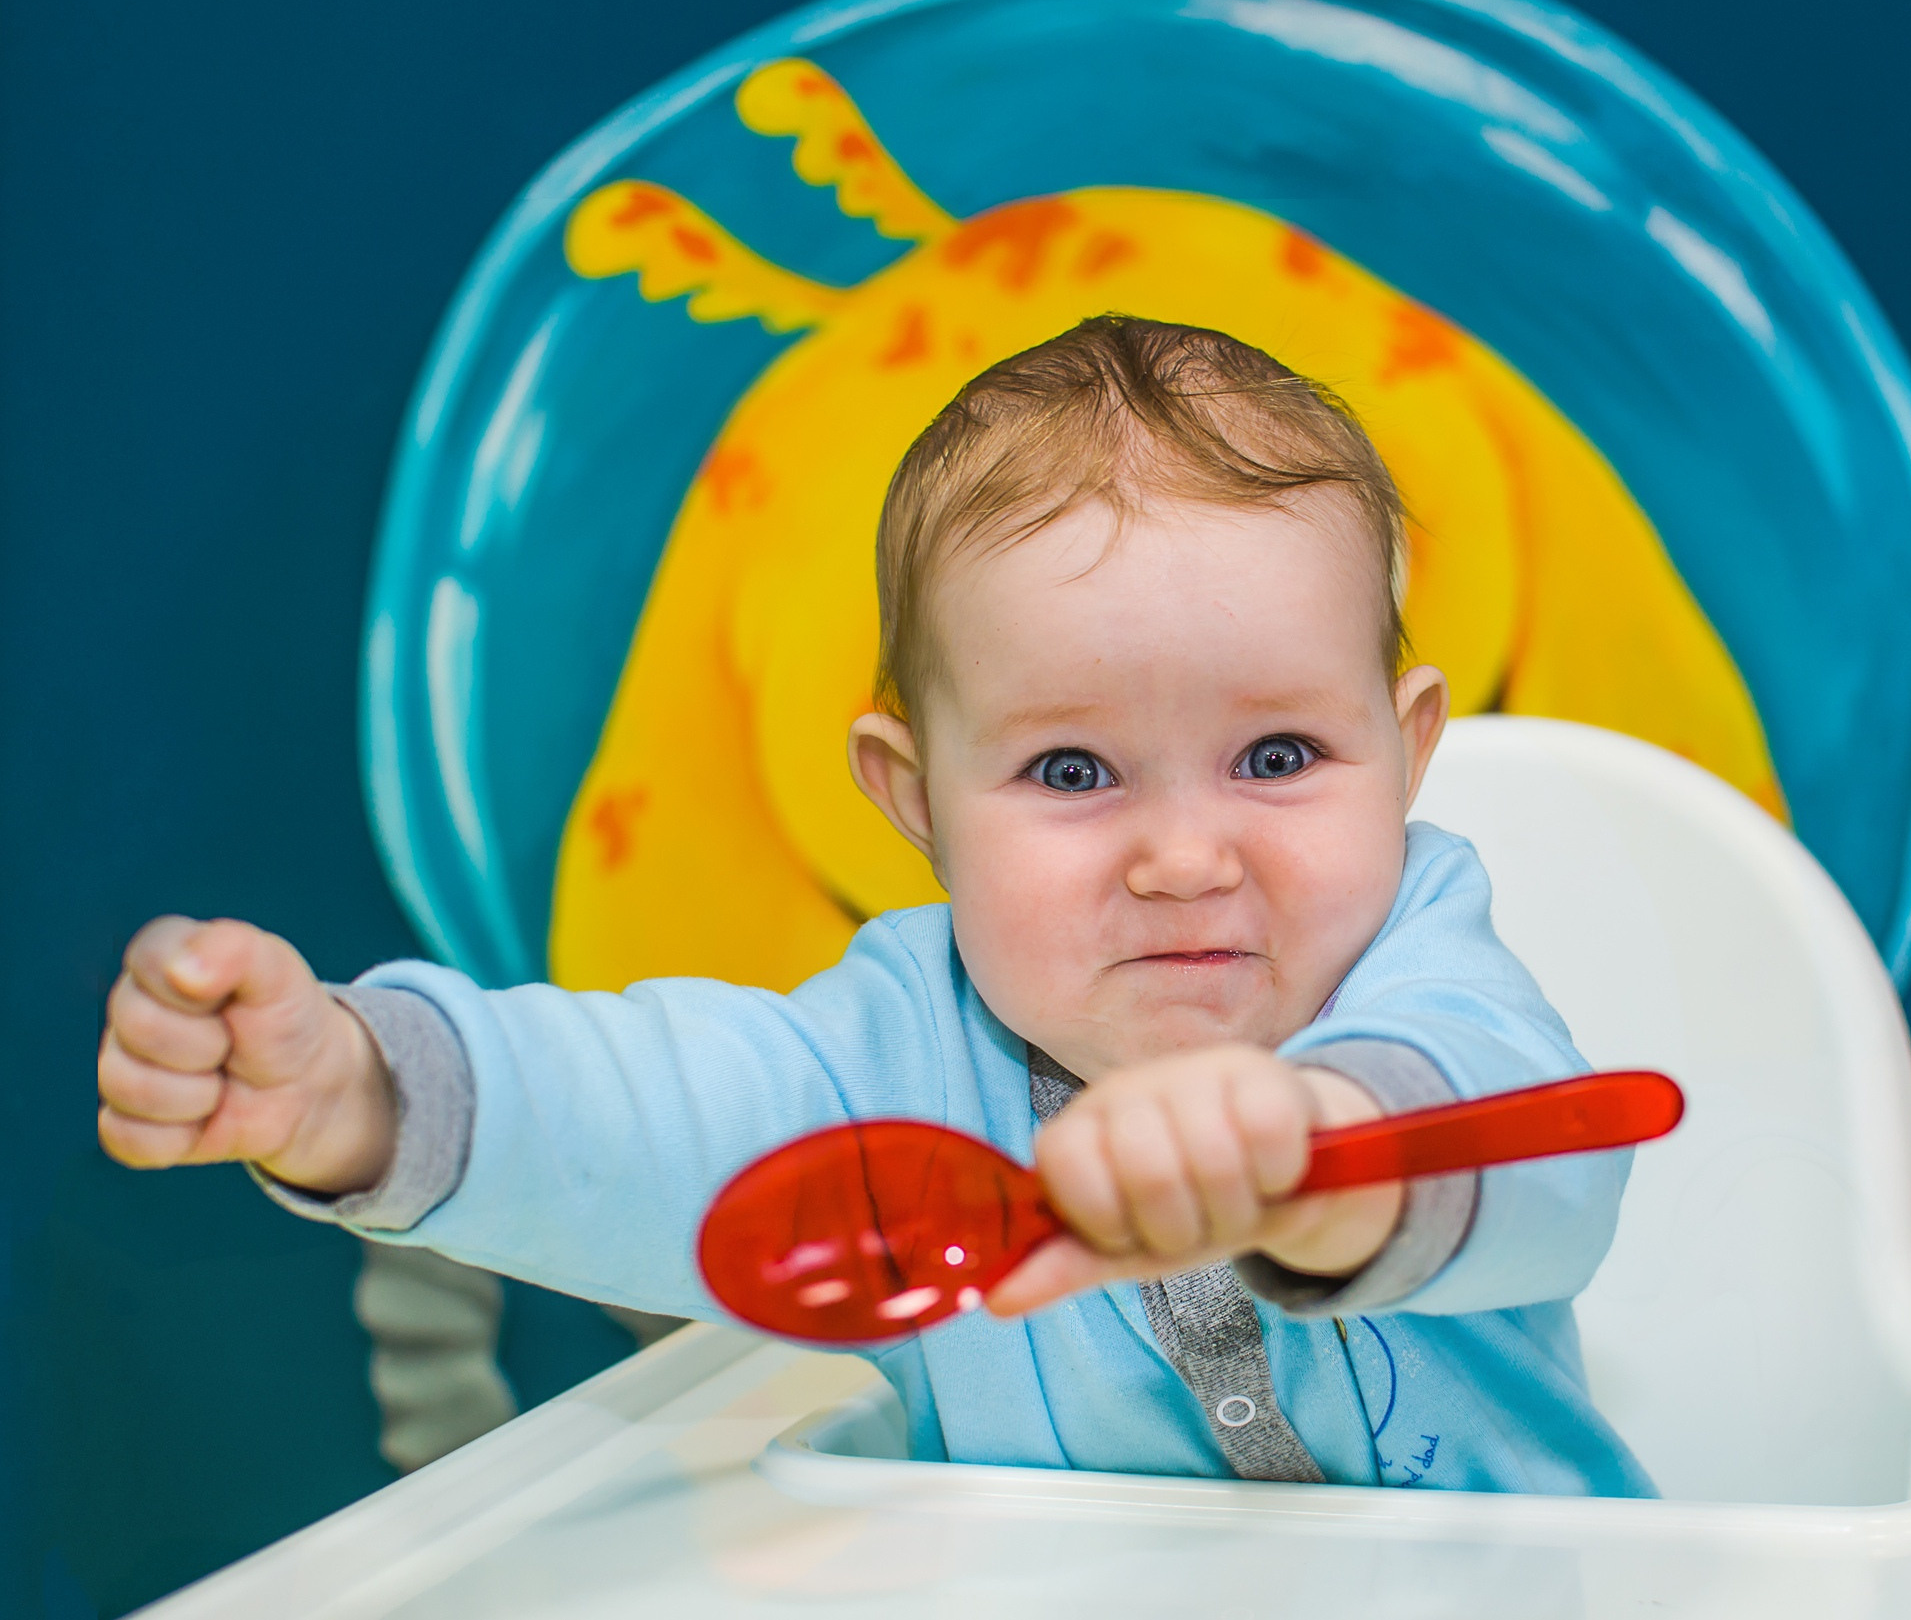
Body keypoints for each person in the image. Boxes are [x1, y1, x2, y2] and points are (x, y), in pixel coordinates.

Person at [93, 314, 1654, 1496]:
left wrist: (1315, 1160)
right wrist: (359, 1086)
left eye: (1277, 754)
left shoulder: (1418, 959)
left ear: (1405, 751)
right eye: (1070, 772)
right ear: (915, 800)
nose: (1186, 855)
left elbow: (1537, 1157)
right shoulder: (894, 1053)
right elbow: (645, 1118)